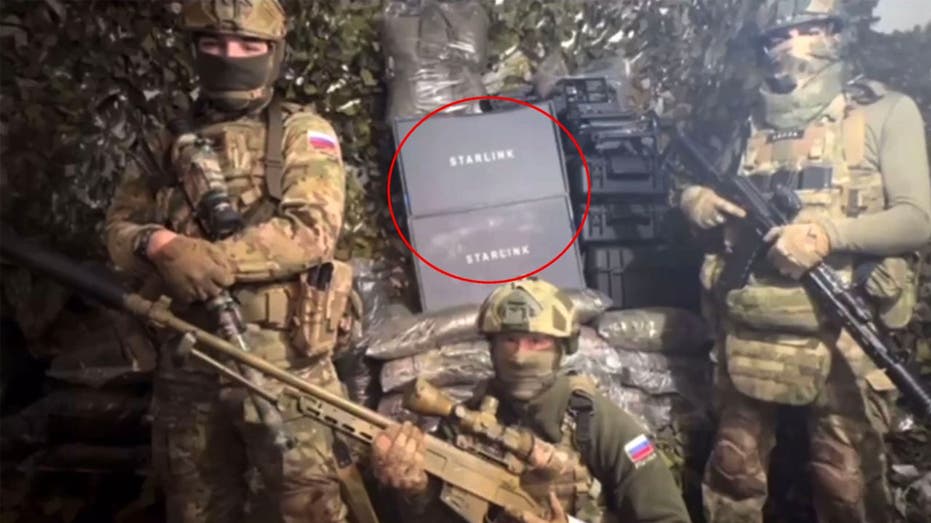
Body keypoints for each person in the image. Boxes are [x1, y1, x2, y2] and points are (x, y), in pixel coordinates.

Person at [677, 1, 931, 522]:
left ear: (834, 33)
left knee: (845, 480)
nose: (791, 45)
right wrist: (693, 201)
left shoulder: (883, 112)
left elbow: (917, 219)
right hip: (750, 324)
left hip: (842, 324)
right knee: (733, 469)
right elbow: (699, 185)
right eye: (778, 37)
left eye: (807, 29)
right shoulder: (747, 121)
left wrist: (826, 234)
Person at [105, 1, 358, 521]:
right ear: (194, 50)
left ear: (274, 52)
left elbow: (311, 232)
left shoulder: (300, 131)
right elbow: (116, 230)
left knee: (303, 505)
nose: (230, 56)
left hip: (286, 362)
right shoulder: (165, 143)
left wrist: (210, 259)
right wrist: (158, 245)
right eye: (213, 44)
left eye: (249, 45)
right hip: (188, 356)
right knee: (195, 507)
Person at [369, 278, 693, 523]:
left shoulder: (596, 422)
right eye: (509, 340)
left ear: (561, 349)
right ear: (491, 348)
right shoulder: (466, 424)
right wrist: (415, 491)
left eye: (536, 341)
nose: (521, 357)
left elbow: (667, 517)